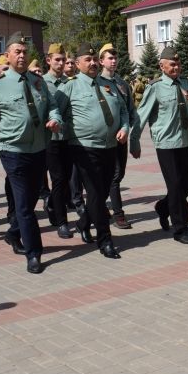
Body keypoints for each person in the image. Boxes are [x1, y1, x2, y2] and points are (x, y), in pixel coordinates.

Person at [0, 33, 63, 274]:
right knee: (25, 206)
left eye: (25, 52)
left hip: (38, 149)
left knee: (29, 199)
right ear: (7, 55)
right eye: (17, 51)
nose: (22, 55)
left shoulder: (38, 82)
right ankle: (34, 253)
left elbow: (53, 107)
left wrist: (55, 119)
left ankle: (13, 233)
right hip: (12, 151)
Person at [58, 43, 129, 258]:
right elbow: (55, 112)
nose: (92, 63)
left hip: (110, 146)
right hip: (83, 147)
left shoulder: (109, 85)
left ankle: (83, 222)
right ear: (78, 63)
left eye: (93, 59)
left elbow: (123, 110)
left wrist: (125, 128)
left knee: (102, 191)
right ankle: (105, 240)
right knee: (97, 192)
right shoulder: (69, 87)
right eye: (86, 60)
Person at [132, 46, 188, 244]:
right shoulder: (154, 88)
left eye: (178, 63)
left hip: (184, 141)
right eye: (172, 64)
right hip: (165, 143)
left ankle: (163, 208)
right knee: (174, 186)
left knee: (187, 185)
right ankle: (180, 229)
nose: (176, 67)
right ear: (162, 66)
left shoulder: (186, 84)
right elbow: (141, 117)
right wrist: (134, 141)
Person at [99, 42, 138, 230]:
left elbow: (130, 110)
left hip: (122, 136)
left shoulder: (122, 83)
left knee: (118, 174)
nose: (114, 61)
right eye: (110, 58)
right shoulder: (97, 82)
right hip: (105, 138)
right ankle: (118, 214)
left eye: (115, 58)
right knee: (113, 175)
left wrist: (133, 132)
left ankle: (99, 205)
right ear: (101, 61)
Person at [41, 43, 74, 239]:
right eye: (57, 60)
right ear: (49, 61)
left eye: (63, 60)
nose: (61, 63)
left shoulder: (71, 81)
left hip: (68, 137)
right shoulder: (41, 83)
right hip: (50, 139)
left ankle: (52, 204)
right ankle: (62, 222)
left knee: (66, 179)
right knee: (59, 179)